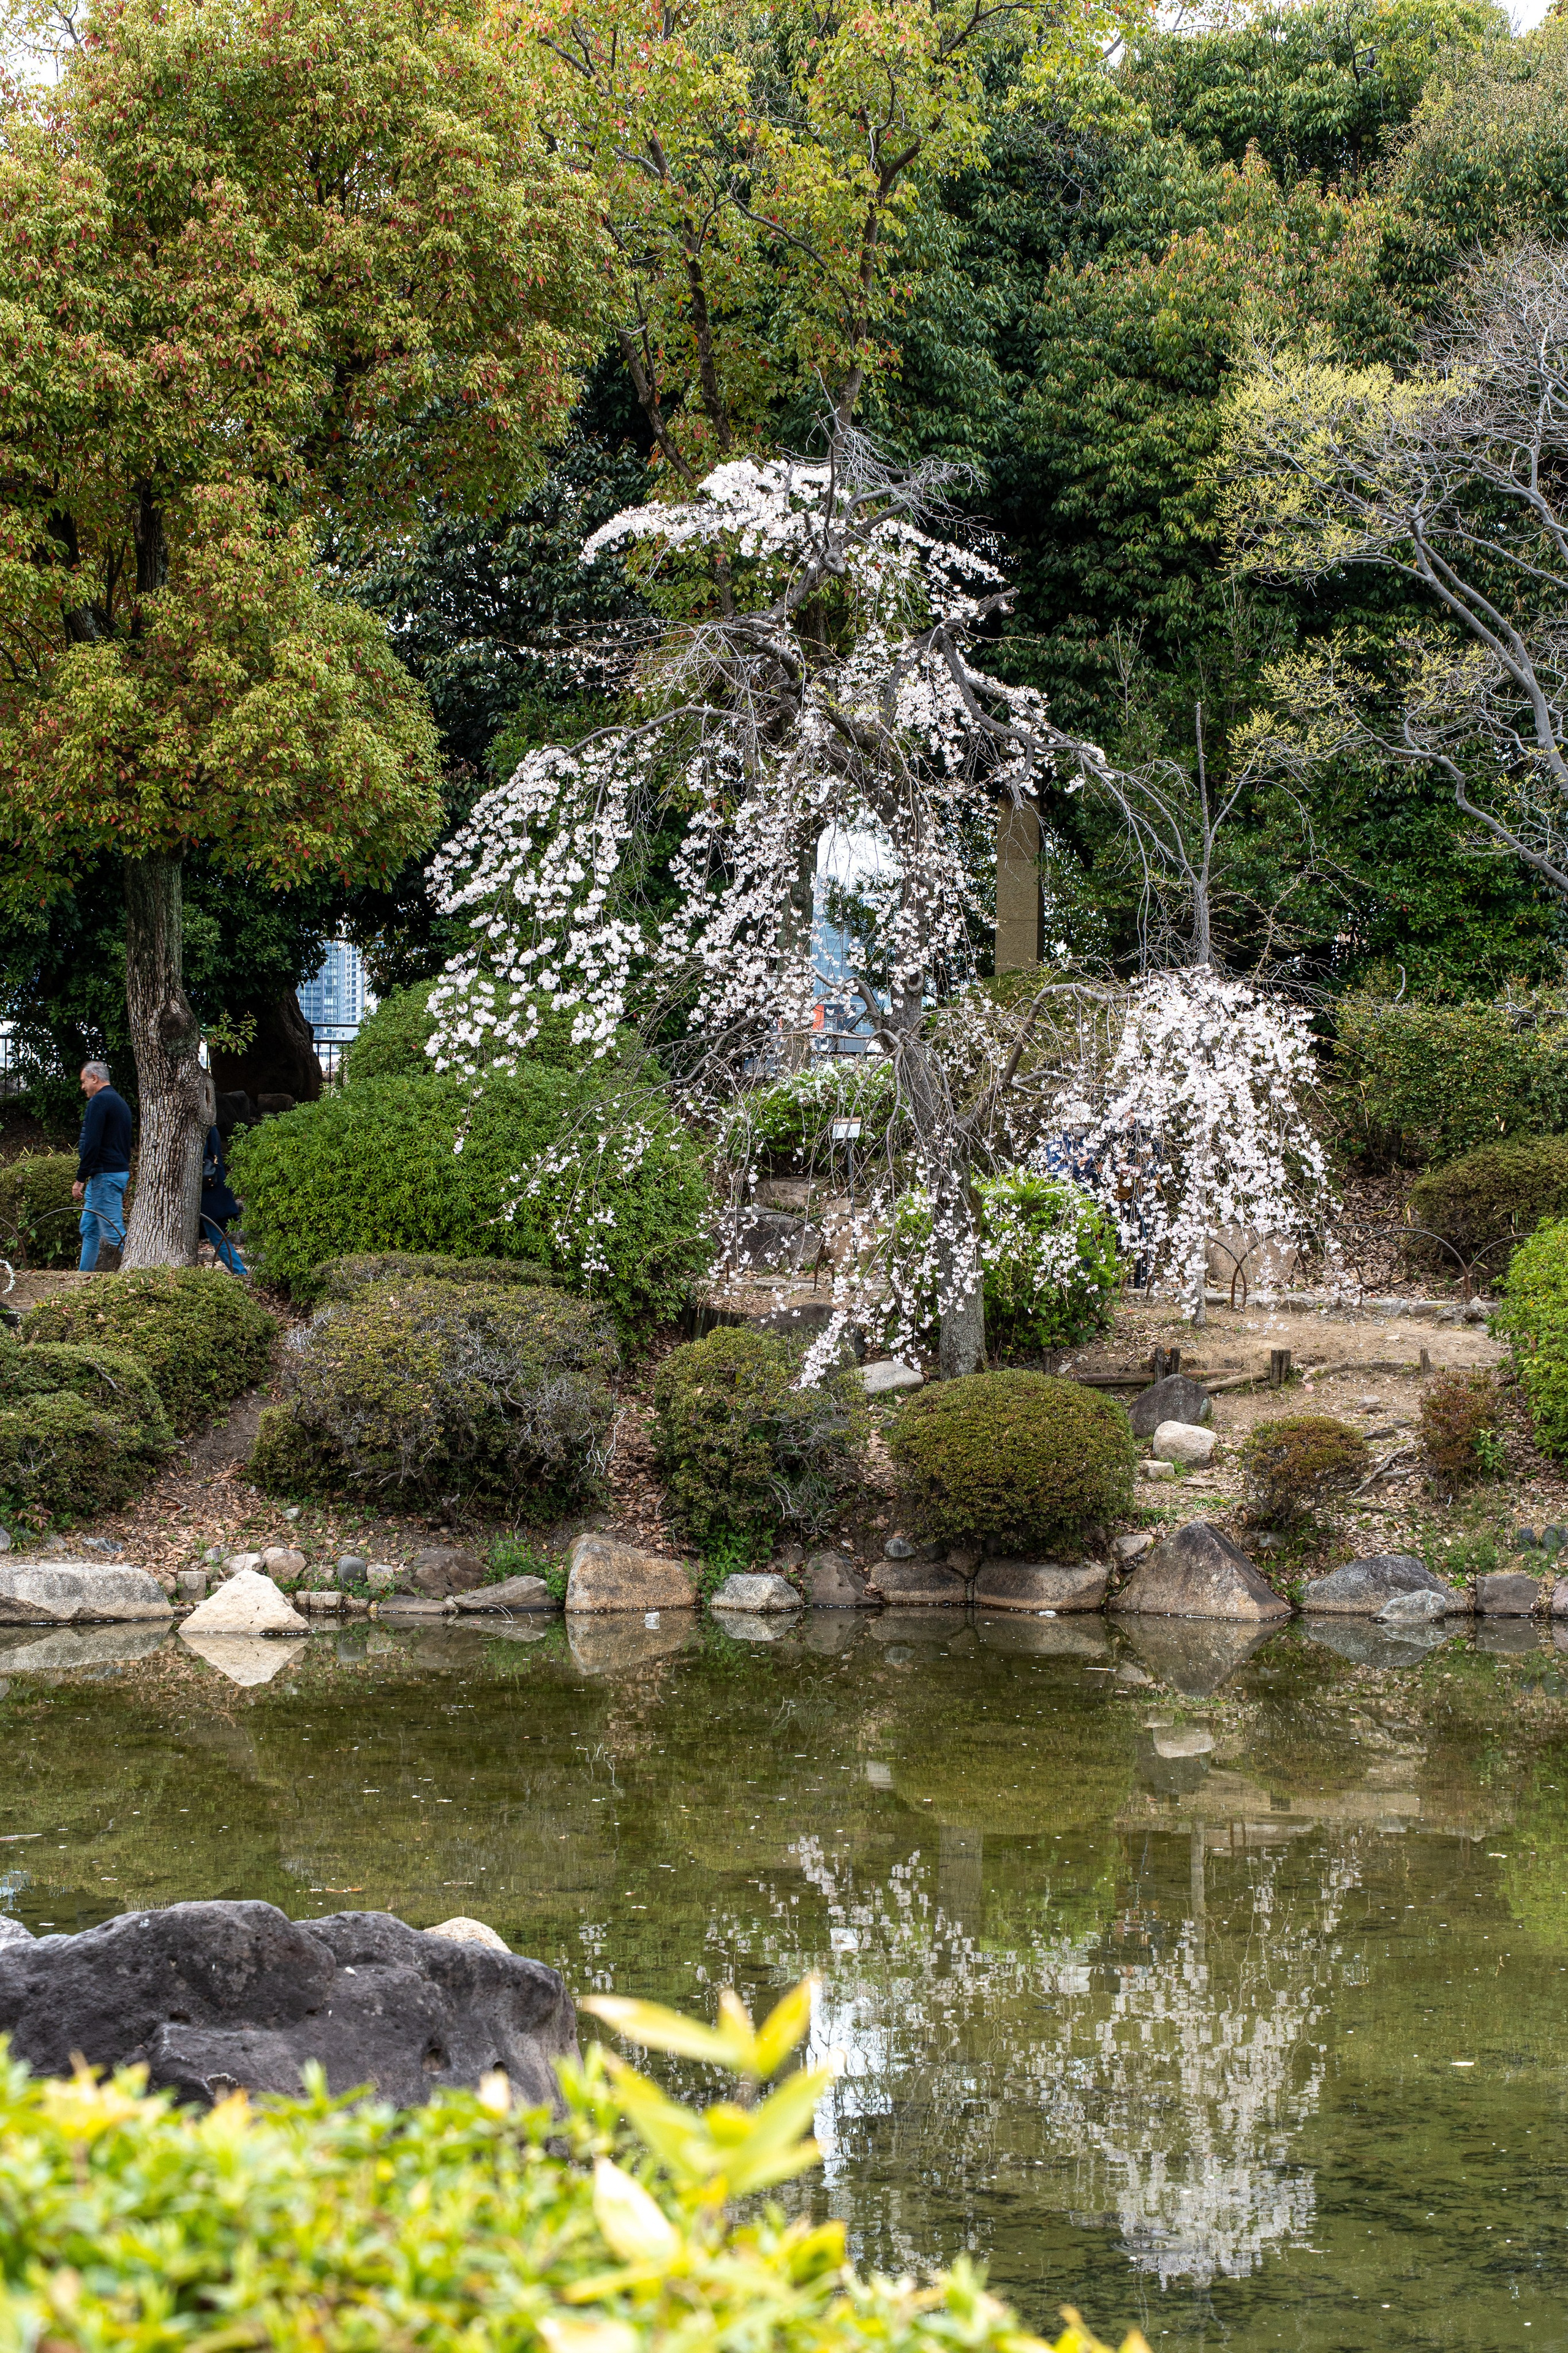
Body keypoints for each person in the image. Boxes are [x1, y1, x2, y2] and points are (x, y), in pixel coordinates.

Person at [73, 1062, 132, 1272]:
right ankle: (82, 1278)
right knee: (89, 1229)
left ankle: (148, 1273)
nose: (83, 1087)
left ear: (95, 1078)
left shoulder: (100, 1101)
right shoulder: (118, 1101)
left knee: (113, 1231)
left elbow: (92, 1143)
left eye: (84, 1081)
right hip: (111, 1173)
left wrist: (80, 1178)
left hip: (106, 1175)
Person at [200, 1123, 247, 1275]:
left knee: (217, 1236)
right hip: (216, 1188)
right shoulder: (212, 1127)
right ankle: (239, 1271)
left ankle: (240, 1271)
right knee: (217, 1235)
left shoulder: (203, 1127)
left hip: (210, 1192)